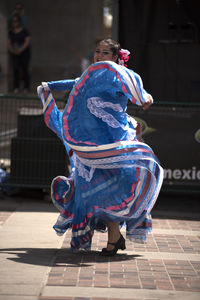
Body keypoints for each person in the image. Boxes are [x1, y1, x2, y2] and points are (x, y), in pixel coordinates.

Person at [37, 38, 163, 256]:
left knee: (109, 189)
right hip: (92, 145)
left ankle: (115, 238)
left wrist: (144, 96)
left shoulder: (117, 75)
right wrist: (50, 86)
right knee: (91, 189)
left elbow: (134, 86)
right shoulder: (91, 77)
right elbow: (76, 82)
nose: (99, 56)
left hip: (113, 142)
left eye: (105, 53)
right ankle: (114, 238)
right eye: (97, 51)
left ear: (115, 58)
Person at [8, 15, 31, 93]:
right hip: (15, 53)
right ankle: (16, 87)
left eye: (16, 21)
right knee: (15, 69)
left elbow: (27, 41)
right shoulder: (11, 32)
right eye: (13, 21)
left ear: (19, 22)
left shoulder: (24, 31)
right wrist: (13, 50)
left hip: (24, 53)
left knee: (25, 69)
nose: (15, 23)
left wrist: (20, 50)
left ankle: (26, 87)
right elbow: (9, 43)